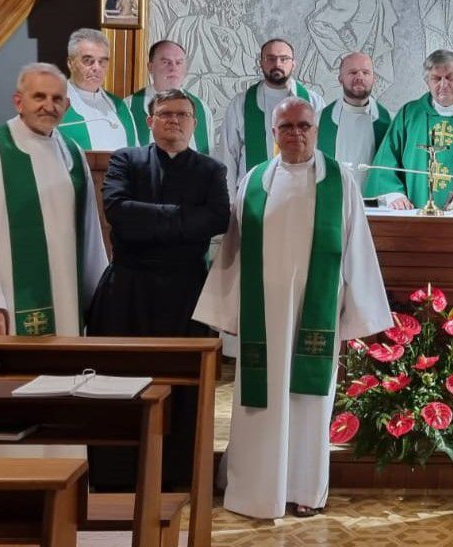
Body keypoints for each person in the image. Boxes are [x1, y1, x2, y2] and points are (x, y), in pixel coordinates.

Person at [193, 97, 392, 520]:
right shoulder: (255, 180)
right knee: (259, 403)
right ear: (274, 133)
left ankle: (304, 489)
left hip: (314, 312)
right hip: (262, 315)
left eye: (304, 126)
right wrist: (228, 311)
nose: (295, 133)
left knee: (309, 403)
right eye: (286, 126)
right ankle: (255, 489)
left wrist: (358, 313)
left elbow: (358, 248)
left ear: (316, 131)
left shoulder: (339, 181)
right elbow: (234, 249)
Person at [85, 88, 229, 492]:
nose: (174, 121)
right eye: (165, 113)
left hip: (186, 293)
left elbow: (217, 219)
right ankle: (115, 474)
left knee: (184, 385)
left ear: (194, 123)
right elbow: (118, 212)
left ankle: (176, 473)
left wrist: (152, 221)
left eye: (182, 114)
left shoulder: (211, 169)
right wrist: (183, 220)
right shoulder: (126, 160)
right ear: (150, 121)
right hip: (128, 291)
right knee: (119, 380)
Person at [0, 62, 108, 337]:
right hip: (6, 302)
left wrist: (98, 293)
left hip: (68, 297)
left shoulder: (73, 153)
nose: (49, 106)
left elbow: (90, 233)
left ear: (67, 106)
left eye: (57, 99)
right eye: (39, 97)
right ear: (18, 102)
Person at [365, 49, 453, 209]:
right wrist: (395, 194)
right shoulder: (409, 115)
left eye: (449, 77)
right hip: (412, 214)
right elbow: (385, 161)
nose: (443, 84)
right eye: (436, 78)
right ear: (427, 82)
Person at [218, 38, 326, 194]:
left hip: (303, 192)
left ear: (294, 64)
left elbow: (322, 150)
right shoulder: (241, 103)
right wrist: (228, 200)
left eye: (284, 59)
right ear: (261, 63)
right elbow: (227, 154)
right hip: (253, 194)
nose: (277, 64)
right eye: (270, 58)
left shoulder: (313, 102)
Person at [316, 52, 392, 190]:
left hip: (372, 199)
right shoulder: (318, 119)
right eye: (352, 72)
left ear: (374, 79)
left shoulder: (390, 122)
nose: (359, 77)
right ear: (340, 79)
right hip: (334, 198)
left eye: (365, 72)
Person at [125, 41, 214, 154]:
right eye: (166, 62)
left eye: (178, 63)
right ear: (150, 67)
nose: (173, 68)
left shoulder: (201, 109)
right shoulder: (128, 107)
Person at [59, 28, 137, 152]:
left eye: (102, 62)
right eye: (88, 61)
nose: (97, 67)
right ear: (70, 63)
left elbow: (135, 153)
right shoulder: (54, 104)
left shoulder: (120, 107)